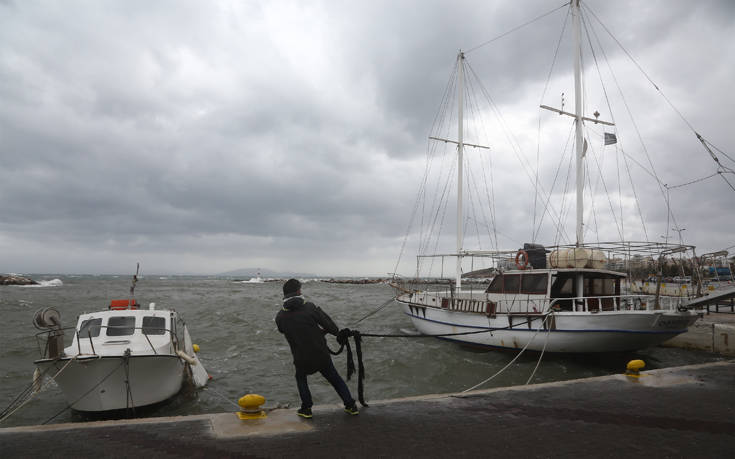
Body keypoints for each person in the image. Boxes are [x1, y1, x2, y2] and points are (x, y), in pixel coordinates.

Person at [275, 278, 358, 419]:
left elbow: (285, 330)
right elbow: (330, 326)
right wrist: (337, 333)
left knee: (301, 378)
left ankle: (306, 409)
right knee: (334, 378)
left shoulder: (280, 316)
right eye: (300, 289)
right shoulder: (310, 307)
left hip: (301, 358)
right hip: (321, 354)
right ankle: (351, 406)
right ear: (297, 292)